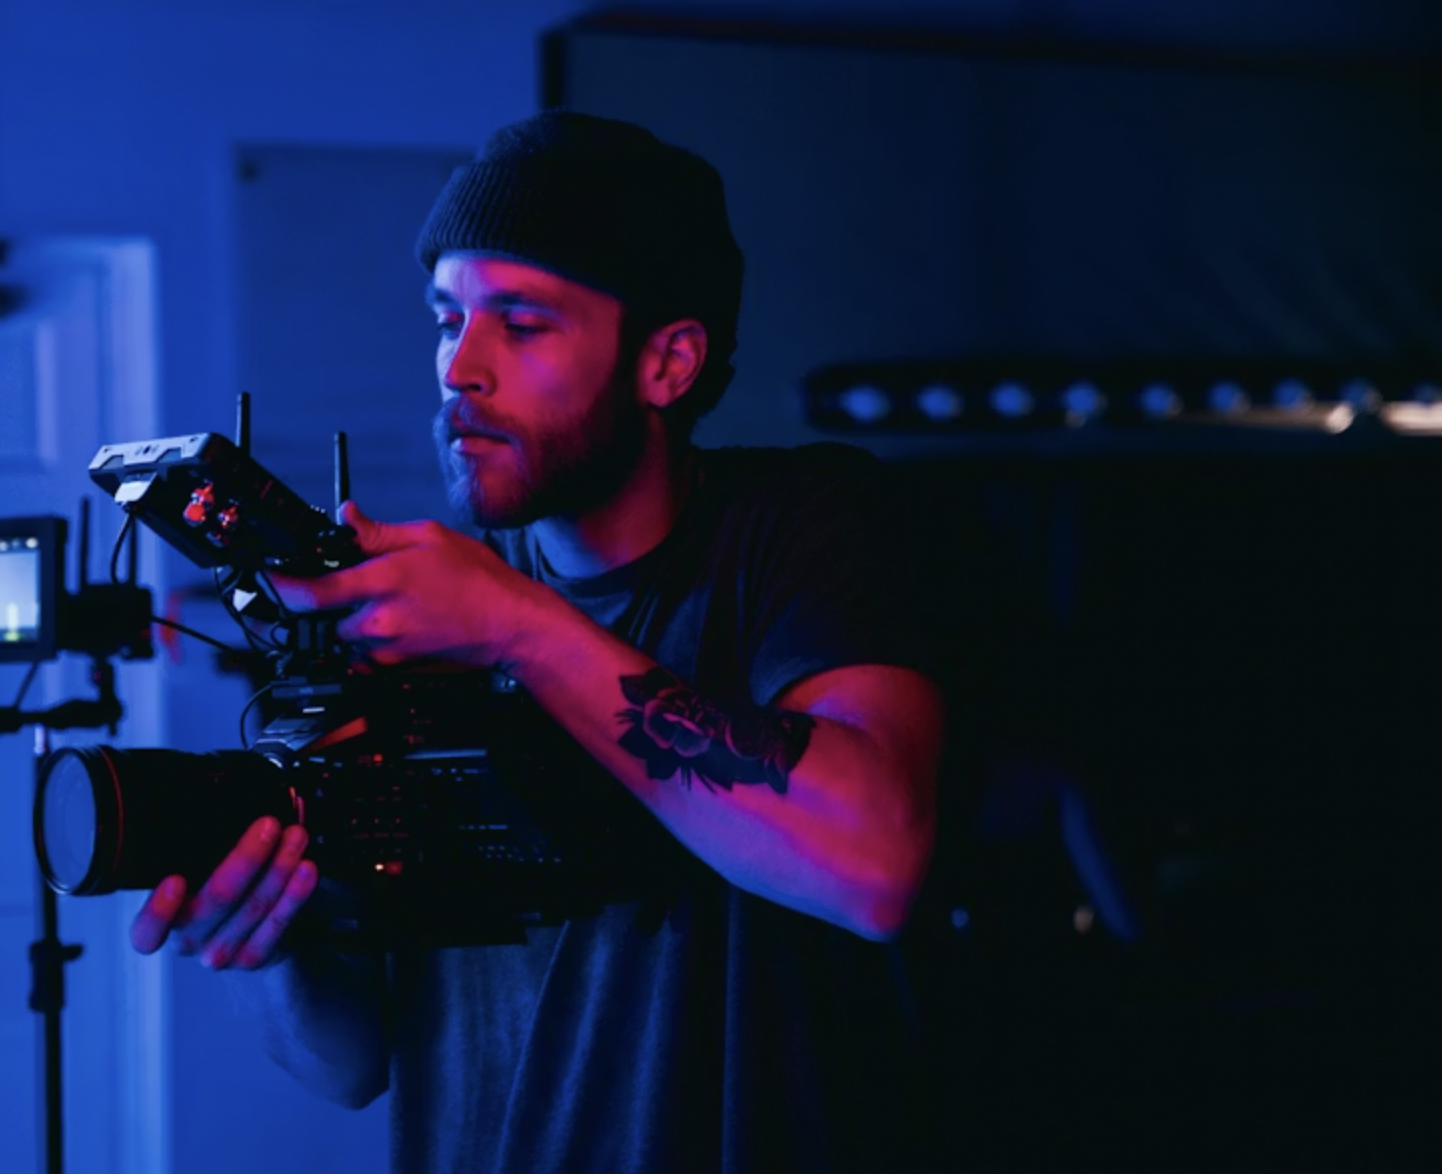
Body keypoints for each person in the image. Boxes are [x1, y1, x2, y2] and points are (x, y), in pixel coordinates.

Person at [130, 111, 946, 1173]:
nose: (459, 367)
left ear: (667, 361)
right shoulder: (422, 619)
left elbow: (873, 862)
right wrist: (269, 941)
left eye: (520, 323)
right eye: (444, 319)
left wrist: (514, 628)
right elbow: (350, 1061)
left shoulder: (800, 525)